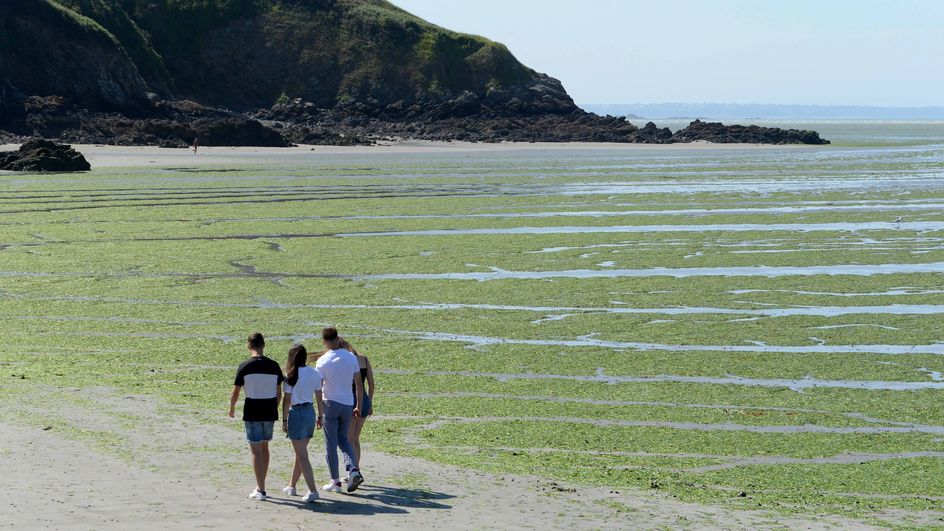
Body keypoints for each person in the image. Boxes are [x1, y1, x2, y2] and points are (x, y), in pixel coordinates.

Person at [229, 333, 283, 501]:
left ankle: (261, 489)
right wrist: (275, 407)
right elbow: (278, 392)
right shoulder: (274, 366)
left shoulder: (244, 366)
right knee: (264, 448)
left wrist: (231, 408)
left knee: (255, 450)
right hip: (269, 410)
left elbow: (236, 392)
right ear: (263, 345)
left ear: (249, 346)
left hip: (252, 410)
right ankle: (261, 484)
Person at [314, 327, 365, 493]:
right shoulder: (351, 357)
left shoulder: (322, 361)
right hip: (347, 403)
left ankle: (335, 481)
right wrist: (358, 405)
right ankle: (353, 470)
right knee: (344, 440)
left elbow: (319, 388)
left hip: (330, 404)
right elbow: (358, 384)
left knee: (330, 444)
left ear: (324, 341)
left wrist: (319, 413)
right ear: (337, 338)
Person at [280, 344, 322, 503]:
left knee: (302, 455)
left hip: (296, 414)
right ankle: (292, 485)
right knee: (300, 452)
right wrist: (320, 417)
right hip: (309, 412)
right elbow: (319, 397)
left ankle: (313, 490)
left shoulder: (290, 374)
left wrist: (284, 420)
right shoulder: (314, 373)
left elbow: (287, 400)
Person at [339, 338, 374, 483]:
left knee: (349, 439)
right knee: (355, 439)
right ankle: (356, 469)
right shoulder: (364, 359)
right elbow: (371, 384)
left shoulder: (346, 361)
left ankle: (354, 472)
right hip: (364, 399)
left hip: (352, 400)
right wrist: (370, 402)